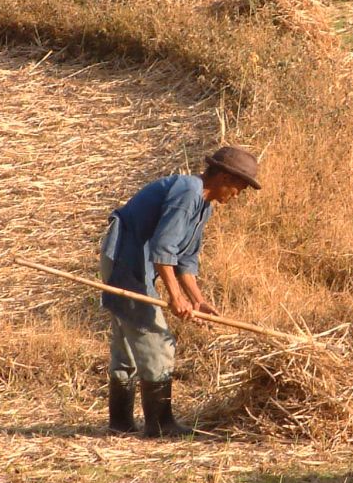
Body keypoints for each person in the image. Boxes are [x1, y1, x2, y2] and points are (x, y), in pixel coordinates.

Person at [99, 145, 261, 437]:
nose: (238, 195)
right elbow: (163, 250)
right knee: (157, 340)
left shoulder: (203, 206)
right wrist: (175, 298)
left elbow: (186, 261)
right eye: (238, 186)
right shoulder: (188, 191)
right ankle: (160, 425)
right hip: (125, 258)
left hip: (130, 260)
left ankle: (120, 423)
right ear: (223, 177)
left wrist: (198, 301)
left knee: (127, 343)